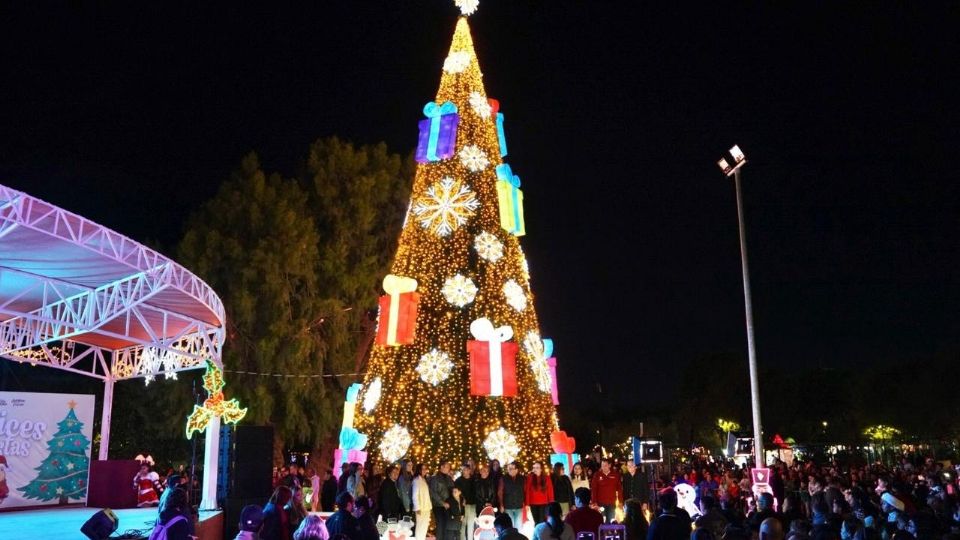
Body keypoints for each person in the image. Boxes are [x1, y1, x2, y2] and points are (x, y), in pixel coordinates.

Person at [590, 458, 622, 523]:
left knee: (611, 520)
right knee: (602, 520)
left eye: (605, 465)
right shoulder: (597, 475)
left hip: (611, 503)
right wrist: (594, 502)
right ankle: (602, 533)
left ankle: (610, 532)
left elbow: (619, 489)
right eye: (602, 465)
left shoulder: (615, 475)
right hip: (600, 503)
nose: (603, 467)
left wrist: (620, 501)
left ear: (609, 465)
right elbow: (594, 489)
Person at [431, 461, 456, 540]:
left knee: (446, 527)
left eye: (449, 467)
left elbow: (453, 490)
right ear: (441, 467)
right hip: (438, 506)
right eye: (447, 467)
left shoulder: (449, 478)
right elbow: (433, 493)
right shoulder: (435, 478)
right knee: (440, 526)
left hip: (448, 506)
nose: (448, 469)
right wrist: (442, 503)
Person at [500, 461, 526, 529]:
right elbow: (500, 492)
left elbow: (525, 491)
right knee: (509, 526)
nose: (509, 470)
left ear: (516, 470)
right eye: (509, 469)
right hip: (508, 506)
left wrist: (525, 503)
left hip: (519, 506)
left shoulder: (522, 478)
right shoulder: (504, 478)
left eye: (511, 468)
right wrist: (501, 505)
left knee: (518, 527)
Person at [456, 464, 478, 540]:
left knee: (471, 524)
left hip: (472, 505)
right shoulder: (458, 480)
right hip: (463, 505)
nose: (465, 471)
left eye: (467, 470)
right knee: (463, 524)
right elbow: (456, 493)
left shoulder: (474, 480)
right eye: (464, 470)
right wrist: (462, 500)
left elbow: (476, 492)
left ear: (469, 470)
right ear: (462, 471)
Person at [413, 464, 433, 540]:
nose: (425, 470)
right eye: (422, 469)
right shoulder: (416, 480)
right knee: (420, 527)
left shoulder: (424, 480)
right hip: (421, 508)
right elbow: (415, 495)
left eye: (425, 469)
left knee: (424, 528)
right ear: (419, 470)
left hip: (427, 507)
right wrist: (417, 507)